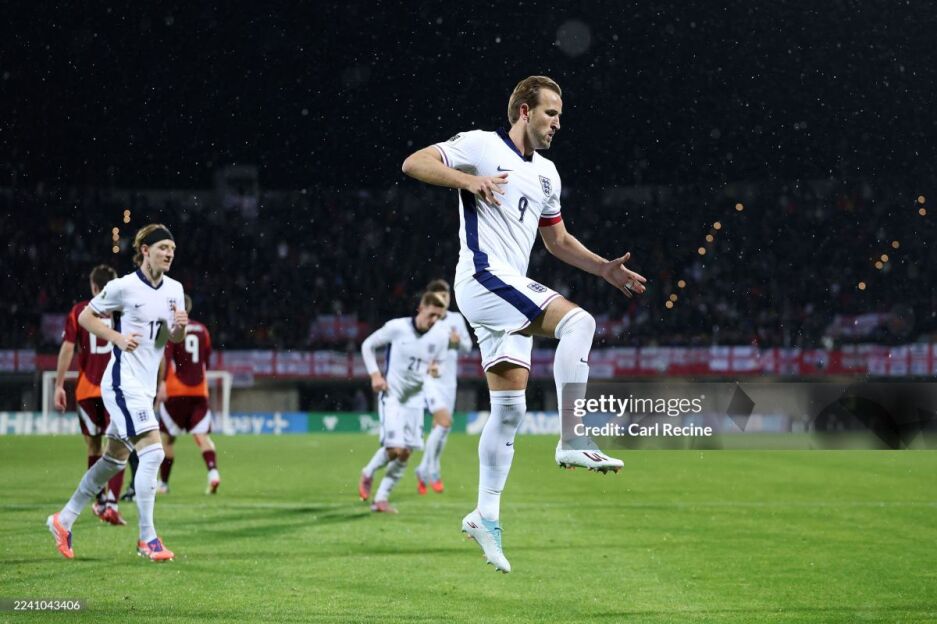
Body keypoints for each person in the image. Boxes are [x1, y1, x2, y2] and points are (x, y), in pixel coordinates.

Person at [401, 75, 648, 573]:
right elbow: (415, 163)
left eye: (560, 115)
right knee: (579, 323)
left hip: (505, 289)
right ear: (524, 111)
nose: (557, 123)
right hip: (483, 277)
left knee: (510, 409)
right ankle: (573, 437)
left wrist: (603, 268)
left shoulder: (548, 175)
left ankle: (484, 516)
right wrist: (469, 181)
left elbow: (557, 241)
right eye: (551, 113)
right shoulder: (480, 146)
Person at [47, 224, 188, 562]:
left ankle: (63, 519)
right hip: (122, 383)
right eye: (163, 247)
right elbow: (86, 317)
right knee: (153, 452)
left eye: (172, 249)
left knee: (113, 460)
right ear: (145, 251)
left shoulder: (175, 289)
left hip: (144, 387)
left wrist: (180, 328)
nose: (169, 253)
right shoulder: (123, 287)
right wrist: (117, 338)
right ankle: (147, 539)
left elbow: (173, 338)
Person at [357, 291, 449, 513]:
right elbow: (367, 345)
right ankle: (368, 472)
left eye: (439, 316)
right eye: (431, 314)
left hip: (416, 400)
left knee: (406, 452)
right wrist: (375, 375)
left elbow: (441, 365)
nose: (434, 320)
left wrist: (436, 370)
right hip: (393, 396)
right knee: (395, 449)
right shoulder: (397, 328)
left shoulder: (440, 336)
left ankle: (381, 499)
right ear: (421, 309)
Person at [53, 264, 128, 526]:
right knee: (119, 446)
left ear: (94, 287)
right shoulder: (123, 310)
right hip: (116, 389)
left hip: (87, 390)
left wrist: (59, 384)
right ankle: (112, 503)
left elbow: (67, 348)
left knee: (94, 445)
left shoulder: (80, 311)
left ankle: (99, 500)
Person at [156, 294, 220, 495]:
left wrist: (162, 383)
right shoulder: (203, 330)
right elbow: (206, 360)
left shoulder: (171, 330)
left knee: (166, 439)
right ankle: (213, 473)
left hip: (176, 391)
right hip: (199, 391)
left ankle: (164, 484)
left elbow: (165, 358)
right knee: (202, 436)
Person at [414, 278, 473, 495]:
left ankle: (425, 469)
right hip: (431, 379)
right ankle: (431, 470)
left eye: (446, 295)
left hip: (449, 381)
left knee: (442, 430)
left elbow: (467, 347)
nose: (443, 298)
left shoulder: (456, 319)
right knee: (443, 424)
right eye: (439, 295)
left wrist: (458, 342)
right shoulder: (429, 319)